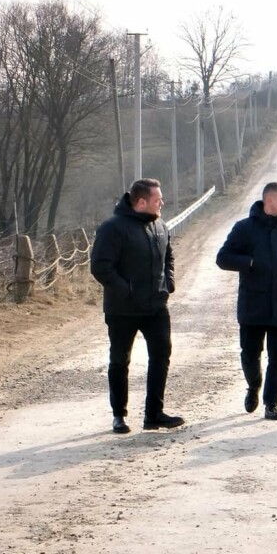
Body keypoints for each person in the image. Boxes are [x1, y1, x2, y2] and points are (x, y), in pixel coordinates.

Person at [90, 178, 184, 433]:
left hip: (156, 307)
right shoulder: (112, 228)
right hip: (123, 309)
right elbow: (100, 267)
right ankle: (119, 415)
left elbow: (169, 256)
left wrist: (169, 282)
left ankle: (154, 414)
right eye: (157, 200)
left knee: (161, 357)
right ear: (142, 202)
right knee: (120, 361)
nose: (162, 203)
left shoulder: (160, 225)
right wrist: (127, 290)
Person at [215, 182, 277, 420]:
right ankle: (254, 386)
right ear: (269, 201)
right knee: (250, 354)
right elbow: (223, 258)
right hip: (253, 303)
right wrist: (249, 263)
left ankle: (271, 404)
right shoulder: (244, 228)